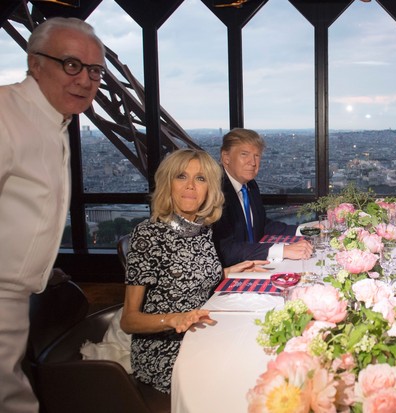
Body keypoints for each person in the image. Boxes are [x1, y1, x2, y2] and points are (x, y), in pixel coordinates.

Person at [0, 17, 105, 413]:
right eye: (71, 64)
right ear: (35, 63)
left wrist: (43, 268)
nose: (85, 79)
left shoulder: (50, 120)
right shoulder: (5, 114)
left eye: (94, 70)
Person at [120, 149, 267, 394]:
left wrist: (228, 271)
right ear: (167, 184)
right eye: (181, 177)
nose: (190, 186)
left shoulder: (202, 228)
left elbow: (190, 276)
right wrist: (175, 319)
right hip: (167, 351)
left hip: (202, 333)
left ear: (209, 189)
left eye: (200, 179)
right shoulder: (148, 235)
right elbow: (129, 320)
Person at [213, 128, 313, 266]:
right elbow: (226, 250)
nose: (253, 162)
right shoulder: (215, 193)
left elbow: (261, 225)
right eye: (244, 154)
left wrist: (305, 230)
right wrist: (282, 250)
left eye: (257, 156)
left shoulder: (250, 186)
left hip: (252, 263)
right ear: (226, 158)